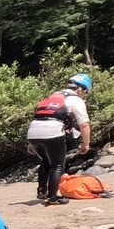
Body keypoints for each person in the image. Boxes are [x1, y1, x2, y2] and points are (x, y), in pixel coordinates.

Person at [26, 72, 92, 205]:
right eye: (85, 93)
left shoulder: (52, 96)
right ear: (81, 89)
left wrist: (31, 144)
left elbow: (41, 116)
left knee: (45, 161)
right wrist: (86, 144)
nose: (84, 96)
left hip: (33, 131)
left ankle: (41, 191)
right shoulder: (75, 100)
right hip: (52, 130)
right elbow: (84, 124)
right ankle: (53, 198)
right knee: (57, 165)